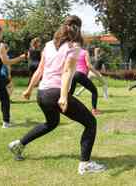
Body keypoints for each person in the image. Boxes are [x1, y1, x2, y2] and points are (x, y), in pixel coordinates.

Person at [8, 15, 106, 175]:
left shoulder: (47, 45)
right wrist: (63, 96)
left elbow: (40, 70)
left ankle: (18, 144)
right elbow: (67, 71)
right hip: (55, 93)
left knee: (51, 123)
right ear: (77, 30)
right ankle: (85, 165)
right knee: (91, 123)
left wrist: (29, 89)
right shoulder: (74, 47)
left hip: (42, 93)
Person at [70, 41, 103, 116]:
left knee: (70, 93)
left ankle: (66, 108)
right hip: (79, 74)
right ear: (81, 45)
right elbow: (88, 65)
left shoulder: (72, 53)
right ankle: (94, 110)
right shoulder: (84, 52)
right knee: (94, 91)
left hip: (72, 74)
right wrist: (97, 73)